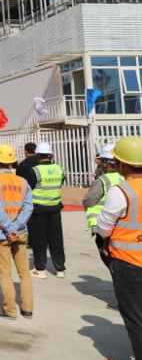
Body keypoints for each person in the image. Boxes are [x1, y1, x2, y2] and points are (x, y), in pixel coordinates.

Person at [97, 137, 142, 358]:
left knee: (136, 318)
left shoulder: (121, 191)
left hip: (129, 263)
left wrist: (106, 238)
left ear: (122, 164)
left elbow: (104, 228)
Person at [0, 145, 34, 320]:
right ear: (12, 162)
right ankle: (27, 309)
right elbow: (28, 208)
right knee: (24, 272)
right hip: (20, 233)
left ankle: (10, 311)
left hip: (1, 232)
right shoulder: (23, 182)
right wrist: (17, 227)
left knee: (5, 273)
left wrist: (9, 228)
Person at [83, 143, 122, 311]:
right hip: (126, 229)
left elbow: (88, 200)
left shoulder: (104, 180)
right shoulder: (128, 178)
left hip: (106, 228)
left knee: (115, 266)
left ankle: (124, 302)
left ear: (107, 163)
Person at [26, 142, 66, 279]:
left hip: (38, 210)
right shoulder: (59, 169)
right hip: (54, 208)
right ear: (51, 155)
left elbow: (28, 188)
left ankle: (40, 269)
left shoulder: (35, 171)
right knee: (56, 240)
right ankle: (60, 269)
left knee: (39, 241)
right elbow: (60, 182)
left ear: (38, 156)